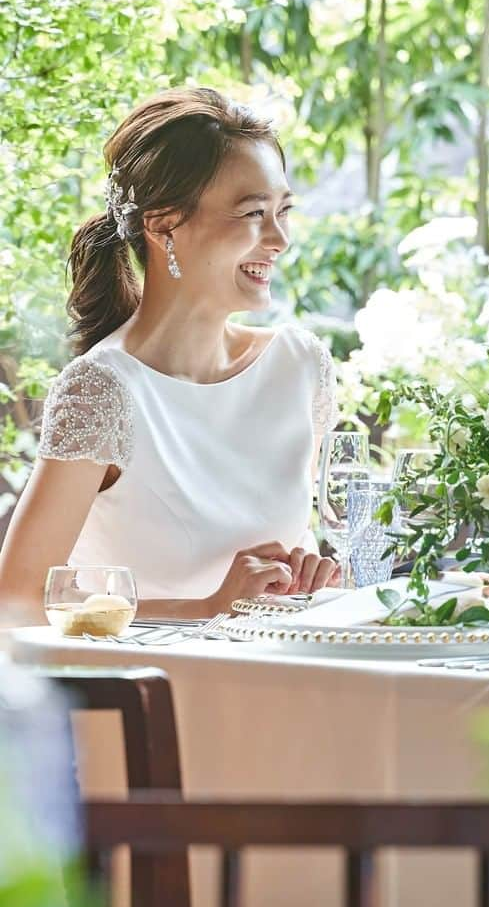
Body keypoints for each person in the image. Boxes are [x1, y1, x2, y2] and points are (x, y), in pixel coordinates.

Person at [0, 87, 341, 625]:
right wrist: (206, 608)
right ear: (163, 225)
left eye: (284, 210)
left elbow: (296, 547)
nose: (279, 239)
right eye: (253, 212)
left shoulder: (300, 366)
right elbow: (15, 605)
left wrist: (304, 572)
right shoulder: (102, 390)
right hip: (155, 697)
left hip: (284, 674)